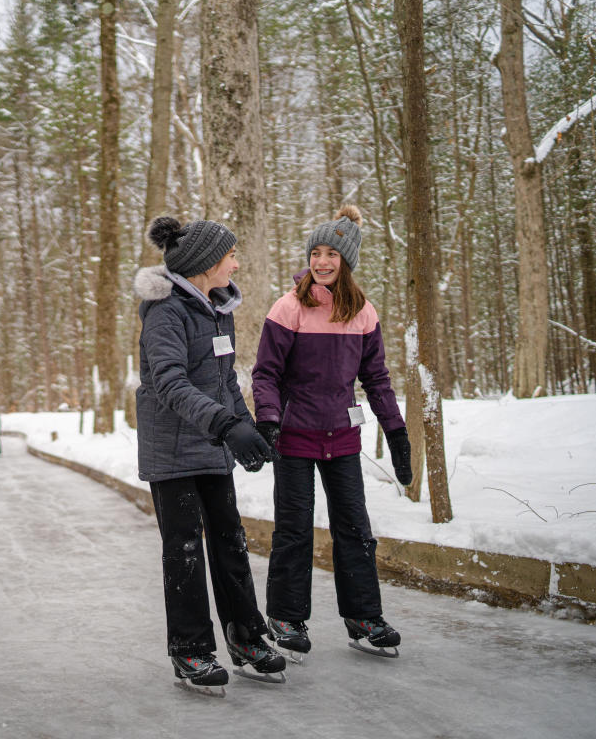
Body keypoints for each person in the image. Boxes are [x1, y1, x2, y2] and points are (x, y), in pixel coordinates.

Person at [251, 205, 413, 661]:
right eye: (316, 252)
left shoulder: (363, 311)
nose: (322, 262)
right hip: (296, 435)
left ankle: (364, 617)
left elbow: (376, 379)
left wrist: (396, 434)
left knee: (355, 528)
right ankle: (285, 616)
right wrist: (268, 419)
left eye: (332, 255)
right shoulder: (289, 307)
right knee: (295, 529)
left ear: (347, 261)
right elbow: (264, 374)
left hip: (342, 436)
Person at [134, 216, 285, 694]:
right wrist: (225, 426)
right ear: (204, 265)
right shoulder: (166, 314)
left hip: (211, 444)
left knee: (230, 542)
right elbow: (170, 383)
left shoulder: (219, 310)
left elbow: (224, 384)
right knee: (184, 552)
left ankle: (247, 637)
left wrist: (248, 427)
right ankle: (191, 650)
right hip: (172, 451)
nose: (237, 263)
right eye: (230, 256)